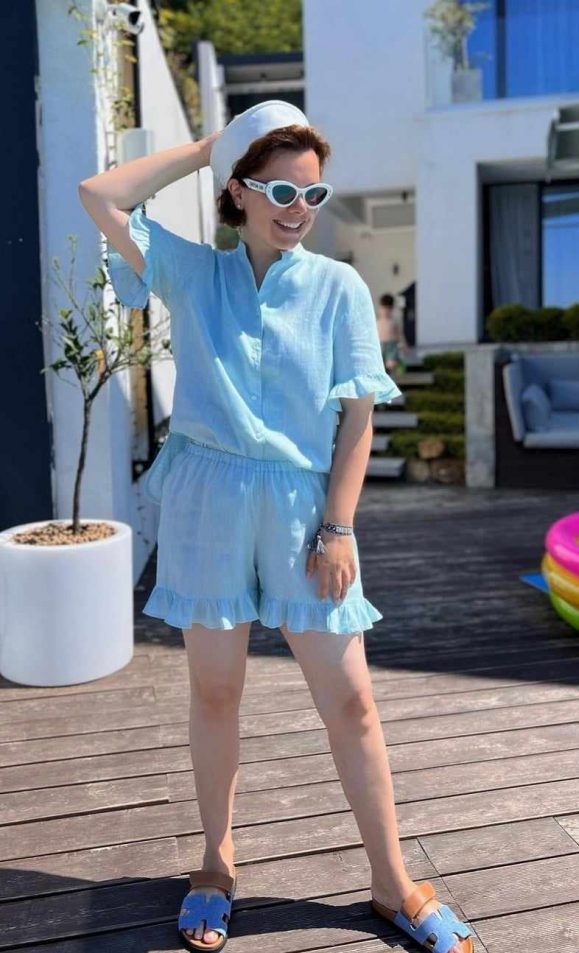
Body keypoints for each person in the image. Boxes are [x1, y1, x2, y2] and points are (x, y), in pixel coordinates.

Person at [78, 100, 475, 953]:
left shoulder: (338, 288)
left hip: (304, 511)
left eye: (314, 194)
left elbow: (359, 417)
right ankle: (216, 861)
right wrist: (209, 148)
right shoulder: (194, 273)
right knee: (216, 692)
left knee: (353, 700)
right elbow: (100, 195)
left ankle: (391, 881)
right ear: (240, 191)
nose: (300, 209)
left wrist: (340, 527)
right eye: (282, 191)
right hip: (208, 501)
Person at [376, 292, 410, 379]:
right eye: (384, 309)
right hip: (380, 346)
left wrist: (404, 346)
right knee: (379, 366)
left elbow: (400, 335)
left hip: (391, 346)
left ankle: (391, 378)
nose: (385, 311)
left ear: (391, 309)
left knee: (390, 365)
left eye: (388, 309)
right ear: (380, 308)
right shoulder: (377, 322)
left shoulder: (393, 322)